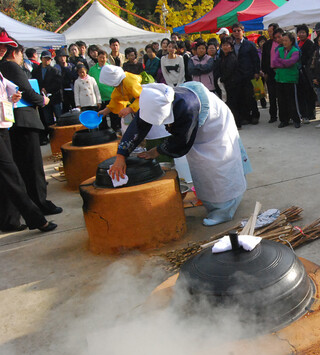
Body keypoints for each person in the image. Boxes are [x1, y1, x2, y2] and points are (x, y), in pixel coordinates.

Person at [108, 82, 249, 226]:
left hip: (215, 126)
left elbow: (181, 140)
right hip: (195, 125)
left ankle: (223, 210)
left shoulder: (186, 106)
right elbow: (139, 126)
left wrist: (156, 151)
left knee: (216, 165)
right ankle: (215, 202)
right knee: (201, 166)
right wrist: (121, 156)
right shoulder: (152, 101)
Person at [0, 30, 57, 233]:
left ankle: (11, 219)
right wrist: (42, 100)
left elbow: (11, 91)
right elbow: (26, 90)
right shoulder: (9, 66)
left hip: (8, 124)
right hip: (18, 123)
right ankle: (37, 214)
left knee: (11, 174)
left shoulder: (3, 69)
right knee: (18, 172)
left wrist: (10, 98)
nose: (5, 50)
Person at [232, 23, 261, 126]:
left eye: (238, 30)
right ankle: (245, 116)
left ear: (242, 31)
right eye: (234, 31)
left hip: (249, 74)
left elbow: (256, 59)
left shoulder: (249, 44)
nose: (236, 33)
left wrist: (257, 72)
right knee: (241, 96)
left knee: (251, 96)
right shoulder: (231, 45)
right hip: (237, 75)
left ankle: (255, 115)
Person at [32, 50, 63, 144]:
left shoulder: (54, 70)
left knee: (59, 117)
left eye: (49, 59)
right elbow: (34, 82)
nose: (47, 60)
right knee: (47, 119)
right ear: (41, 59)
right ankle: (52, 137)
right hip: (43, 99)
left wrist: (48, 89)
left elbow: (58, 84)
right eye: (45, 58)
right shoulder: (36, 70)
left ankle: (61, 137)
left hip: (55, 97)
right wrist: (41, 89)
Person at [273, 32, 301, 129]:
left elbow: (291, 62)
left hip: (290, 79)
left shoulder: (295, 51)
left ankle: (296, 119)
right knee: (281, 101)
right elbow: (274, 62)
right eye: (283, 40)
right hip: (280, 78)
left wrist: (282, 63)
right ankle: (284, 120)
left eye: (286, 40)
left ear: (291, 41)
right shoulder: (279, 50)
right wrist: (284, 63)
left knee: (292, 101)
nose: (284, 42)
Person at [88, 50, 117, 130]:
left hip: (111, 95)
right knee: (101, 116)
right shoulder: (92, 69)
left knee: (113, 116)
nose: (102, 59)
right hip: (99, 97)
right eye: (100, 57)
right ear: (97, 58)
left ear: (106, 58)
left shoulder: (111, 68)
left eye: (104, 58)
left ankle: (115, 130)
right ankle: (103, 131)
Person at [296, 24, 317, 123]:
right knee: (302, 93)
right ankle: (303, 113)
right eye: (300, 32)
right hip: (299, 71)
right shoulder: (297, 43)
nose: (301, 34)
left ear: (307, 33)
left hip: (307, 71)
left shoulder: (309, 44)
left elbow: (310, 58)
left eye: (303, 32)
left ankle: (310, 113)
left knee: (309, 93)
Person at [218, 37, 241, 127]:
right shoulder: (224, 57)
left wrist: (222, 79)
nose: (225, 47)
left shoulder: (231, 57)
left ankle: (237, 123)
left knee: (233, 104)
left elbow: (229, 71)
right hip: (227, 84)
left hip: (233, 84)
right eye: (223, 45)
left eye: (227, 45)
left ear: (231, 47)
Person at [261, 24, 280, 123]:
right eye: (268, 32)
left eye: (271, 31)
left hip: (281, 72)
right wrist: (265, 72)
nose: (269, 34)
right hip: (270, 72)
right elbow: (264, 60)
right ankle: (273, 116)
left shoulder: (282, 42)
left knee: (281, 95)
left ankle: (284, 115)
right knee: (272, 96)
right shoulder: (267, 44)